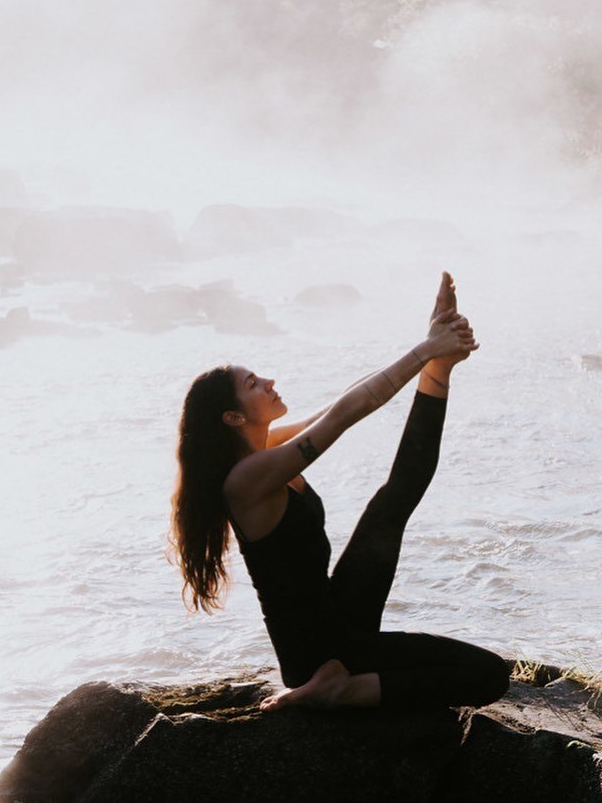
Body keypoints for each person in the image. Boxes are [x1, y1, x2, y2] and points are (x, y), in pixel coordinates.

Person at [170, 272, 510, 711]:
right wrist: (425, 349)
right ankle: (342, 689)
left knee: (393, 501)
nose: (269, 381)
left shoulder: (267, 448)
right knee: (489, 675)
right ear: (233, 418)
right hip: (317, 654)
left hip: (338, 618)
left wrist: (432, 357)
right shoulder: (247, 480)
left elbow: (341, 403)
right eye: (253, 384)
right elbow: (347, 415)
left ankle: (438, 376)